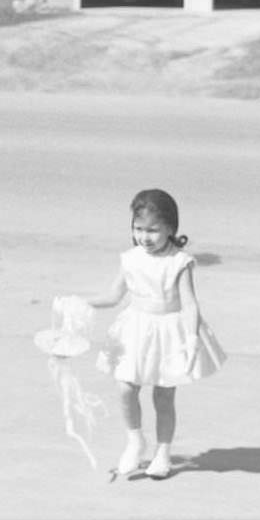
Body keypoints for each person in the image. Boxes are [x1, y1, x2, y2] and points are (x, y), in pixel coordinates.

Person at [81, 188, 224, 479]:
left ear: (171, 228)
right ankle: (135, 440)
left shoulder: (179, 262)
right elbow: (113, 295)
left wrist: (193, 338)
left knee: (163, 396)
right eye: (138, 229)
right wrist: (82, 302)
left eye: (153, 230)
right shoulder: (131, 258)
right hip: (136, 328)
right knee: (126, 387)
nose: (144, 236)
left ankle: (163, 453)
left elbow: (189, 303)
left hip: (169, 331)